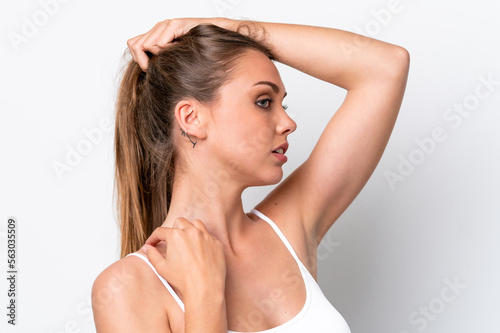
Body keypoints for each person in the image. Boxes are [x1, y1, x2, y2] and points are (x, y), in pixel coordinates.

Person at [91, 17, 409, 333]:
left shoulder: (289, 228)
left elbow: (386, 66)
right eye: (263, 102)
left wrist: (225, 28)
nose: (288, 123)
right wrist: (204, 296)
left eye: (283, 104)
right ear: (191, 118)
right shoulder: (126, 287)